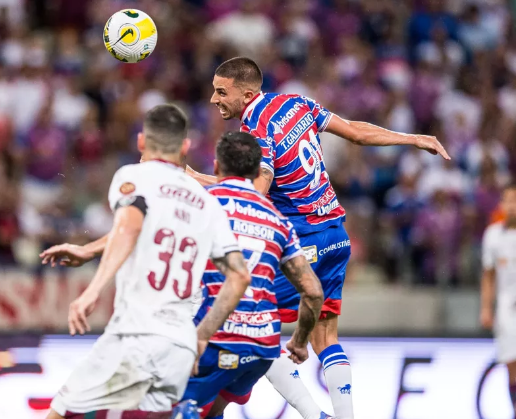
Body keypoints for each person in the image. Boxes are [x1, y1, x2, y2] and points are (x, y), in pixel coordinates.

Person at [185, 57, 450, 419]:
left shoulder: (256, 129)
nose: (214, 100)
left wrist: (192, 177)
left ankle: (316, 416)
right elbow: (356, 131)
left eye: (221, 92)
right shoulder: (296, 103)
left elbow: (255, 193)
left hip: (303, 239)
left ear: (247, 94)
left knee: (255, 327)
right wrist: (411, 138)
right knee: (325, 336)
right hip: (336, 237)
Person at [41, 104, 252, 419]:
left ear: (141, 142)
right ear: (185, 147)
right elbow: (239, 276)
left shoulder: (133, 176)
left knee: (60, 411)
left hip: (136, 334)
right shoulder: (206, 202)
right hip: (180, 344)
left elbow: (130, 226)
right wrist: (201, 337)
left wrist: (92, 289)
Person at [183, 131, 324, 418]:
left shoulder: (205, 203)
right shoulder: (277, 219)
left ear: (216, 166)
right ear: (257, 170)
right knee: (211, 411)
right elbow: (313, 291)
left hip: (215, 335)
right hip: (262, 345)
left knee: (168, 405)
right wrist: (298, 340)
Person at [480, 184, 516, 416]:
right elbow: (488, 275)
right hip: (507, 308)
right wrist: (486, 308)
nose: (511, 206)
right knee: (511, 364)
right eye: (507, 200)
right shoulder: (493, 235)